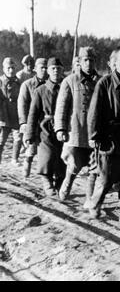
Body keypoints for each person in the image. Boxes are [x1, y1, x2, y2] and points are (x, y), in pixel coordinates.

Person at [86, 45, 120, 226]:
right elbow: (94, 112)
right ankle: (95, 204)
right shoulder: (105, 83)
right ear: (113, 63)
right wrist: (94, 136)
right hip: (109, 136)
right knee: (108, 175)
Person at [54, 47, 101, 205]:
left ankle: (89, 198)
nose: (88, 63)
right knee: (74, 163)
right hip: (75, 130)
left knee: (95, 166)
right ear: (79, 62)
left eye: (91, 60)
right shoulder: (70, 81)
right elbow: (61, 106)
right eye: (85, 60)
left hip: (94, 131)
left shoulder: (101, 82)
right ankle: (67, 184)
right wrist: (60, 128)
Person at [24, 57, 66, 196]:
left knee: (62, 157)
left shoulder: (67, 88)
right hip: (45, 129)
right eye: (52, 68)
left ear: (62, 71)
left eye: (58, 69)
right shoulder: (40, 90)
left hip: (64, 128)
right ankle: (47, 180)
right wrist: (29, 134)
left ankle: (60, 182)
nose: (55, 71)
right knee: (46, 156)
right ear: (48, 71)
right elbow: (33, 114)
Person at [17, 58, 49, 177]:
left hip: (46, 122)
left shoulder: (51, 84)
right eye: (42, 67)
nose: (44, 70)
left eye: (46, 68)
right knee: (31, 148)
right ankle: (27, 167)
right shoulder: (27, 85)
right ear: (35, 69)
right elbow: (22, 104)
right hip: (32, 122)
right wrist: (24, 122)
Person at [0, 57, 22, 165]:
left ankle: (14, 159)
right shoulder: (0, 81)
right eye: (8, 68)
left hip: (15, 114)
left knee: (18, 138)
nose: (11, 70)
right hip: (3, 115)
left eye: (13, 68)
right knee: (1, 140)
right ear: (4, 69)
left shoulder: (18, 82)